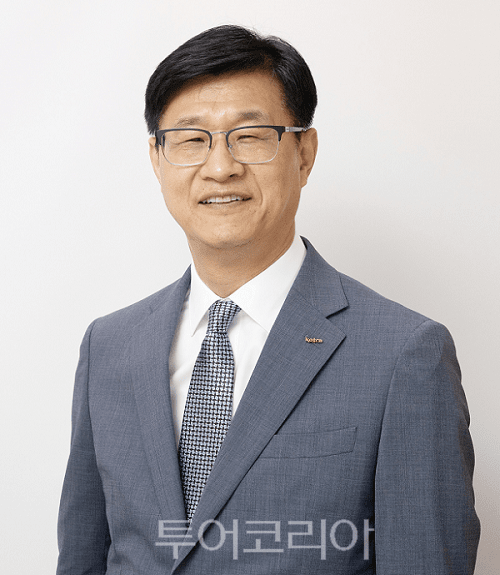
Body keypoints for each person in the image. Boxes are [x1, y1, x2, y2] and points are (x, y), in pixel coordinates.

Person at [56, 25, 480, 575]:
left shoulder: (404, 355)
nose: (220, 167)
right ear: (157, 160)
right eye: (191, 139)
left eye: (250, 135)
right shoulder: (110, 346)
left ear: (304, 153)